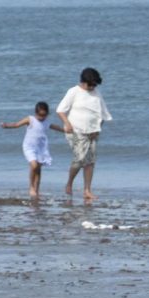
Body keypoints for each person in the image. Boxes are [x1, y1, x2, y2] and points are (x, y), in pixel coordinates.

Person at [56, 67, 112, 201]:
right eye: (90, 84)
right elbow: (60, 110)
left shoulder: (97, 93)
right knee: (80, 159)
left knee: (90, 162)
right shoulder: (74, 91)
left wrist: (97, 129)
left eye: (94, 84)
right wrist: (67, 124)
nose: (92, 87)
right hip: (75, 130)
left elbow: (103, 114)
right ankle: (69, 183)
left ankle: (87, 190)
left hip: (93, 132)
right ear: (83, 81)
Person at [0, 101, 66, 198]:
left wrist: (67, 130)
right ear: (36, 113)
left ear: (47, 114)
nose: (41, 117)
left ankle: (36, 190)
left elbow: (57, 127)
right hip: (29, 147)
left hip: (41, 148)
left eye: (44, 115)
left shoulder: (47, 122)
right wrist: (6, 125)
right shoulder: (30, 119)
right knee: (34, 165)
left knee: (38, 170)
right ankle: (31, 187)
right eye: (40, 115)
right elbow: (17, 124)